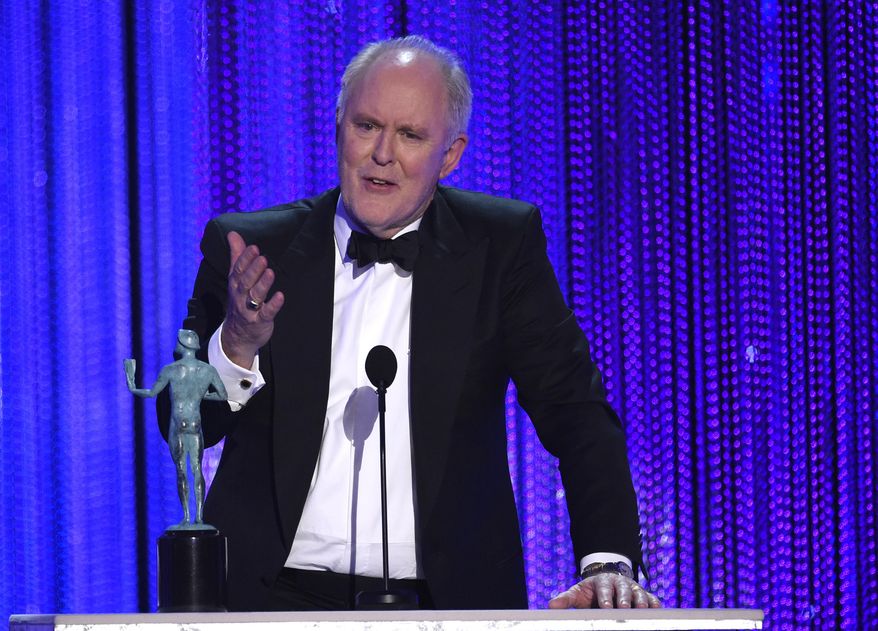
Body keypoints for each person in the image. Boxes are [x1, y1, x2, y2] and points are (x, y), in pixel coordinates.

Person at [169, 35, 661, 611]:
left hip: (448, 602)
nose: (383, 154)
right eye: (367, 125)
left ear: (450, 155)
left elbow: (575, 411)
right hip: (270, 600)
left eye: (410, 135)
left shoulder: (499, 246)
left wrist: (607, 560)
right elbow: (180, 424)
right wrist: (237, 346)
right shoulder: (255, 249)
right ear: (338, 128)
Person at [127, 329, 228, 527]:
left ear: (184, 345)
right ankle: (198, 516)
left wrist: (131, 384)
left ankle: (188, 517)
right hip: (195, 423)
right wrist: (202, 395)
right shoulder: (206, 371)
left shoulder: (171, 370)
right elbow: (222, 395)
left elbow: (151, 393)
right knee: (196, 469)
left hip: (178, 424)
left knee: (181, 470)